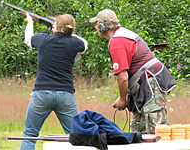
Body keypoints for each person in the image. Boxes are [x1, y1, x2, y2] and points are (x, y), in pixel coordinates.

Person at [89, 9, 176, 134]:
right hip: (142, 84)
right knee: (137, 130)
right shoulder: (120, 36)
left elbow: (123, 77)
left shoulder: (117, 41)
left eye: (96, 24)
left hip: (150, 82)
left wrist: (122, 99)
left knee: (157, 131)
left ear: (103, 26)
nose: (95, 27)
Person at [20, 13, 88, 150]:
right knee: (75, 136)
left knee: (29, 135)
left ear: (54, 27)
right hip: (66, 95)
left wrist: (30, 23)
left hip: (41, 94)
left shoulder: (42, 39)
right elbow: (85, 45)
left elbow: (28, 40)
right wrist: (68, 32)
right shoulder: (74, 43)